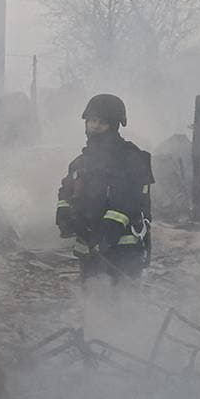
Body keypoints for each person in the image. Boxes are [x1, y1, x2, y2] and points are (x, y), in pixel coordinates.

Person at [55, 93, 154, 281]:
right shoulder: (80, 162)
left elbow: (131, 200)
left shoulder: (131, 158)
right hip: (89, 249)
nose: (95, 126)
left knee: (123, 297)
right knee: (91, 295)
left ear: (114, 125)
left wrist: (107, 232)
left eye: (102, 122)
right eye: (92, 120)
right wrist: (64, 213)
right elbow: (66, 190)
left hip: (124, 251)